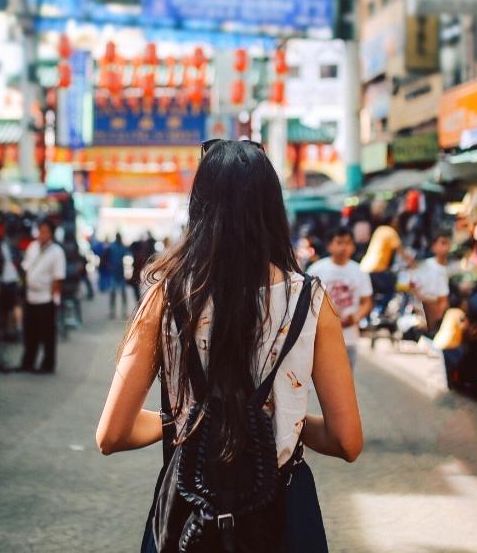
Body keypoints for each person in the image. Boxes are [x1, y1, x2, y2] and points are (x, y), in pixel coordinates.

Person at [96, 140, 362, 552]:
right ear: (273, 209)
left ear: (198, 207)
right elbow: (347, 441)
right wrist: (280, 419)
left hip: (191, 509)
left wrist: (184, 419)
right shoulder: (310, 301)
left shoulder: (165, 297)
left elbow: (111, 435)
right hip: (285, 513)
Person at [308, 226, 375, 370]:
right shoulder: (316, 270)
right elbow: (307, 302)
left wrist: (355, 317)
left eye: (348, 243)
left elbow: (367, 302)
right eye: (339, 242)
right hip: (321, 339)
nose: (344, 247)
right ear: (329, 245)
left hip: (349, 338)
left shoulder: (360, 271)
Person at [20, 219, 66, 374]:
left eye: (45, 231)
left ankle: (48, 364)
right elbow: (26, 266)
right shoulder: (32, 247)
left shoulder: (57, 252)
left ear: (51, 234)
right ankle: (28, 362)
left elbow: (58, 278)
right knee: (30, 332)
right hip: (30, 297)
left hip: (46, 298)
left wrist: (55, 299)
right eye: (40, 231)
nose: (42, 234)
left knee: (47, 334)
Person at [400, 231, 452, 333]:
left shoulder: (452, 267)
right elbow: (411, 286)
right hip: (426, 307)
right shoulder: (426, 266)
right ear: (433, 247)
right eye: (442, 243)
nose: (446, 247)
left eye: (447, 243)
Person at [105, 234, 132, 319]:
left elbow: (129, 257)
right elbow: (106, 258)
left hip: (120, 273)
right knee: (113, 293)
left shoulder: (121, 247)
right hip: (115, 273)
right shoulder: (112, 247)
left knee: (121, 293)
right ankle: (112, 311)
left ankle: (123, 311)